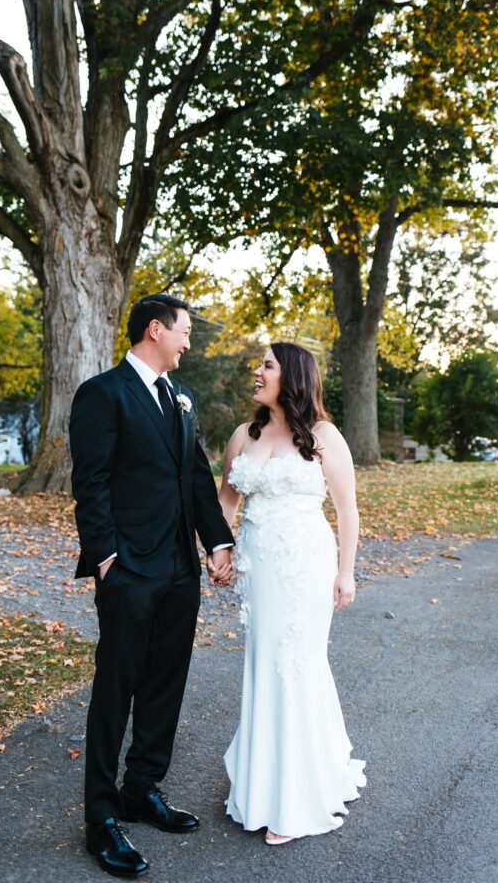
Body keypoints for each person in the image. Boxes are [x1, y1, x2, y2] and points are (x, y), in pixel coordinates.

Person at [69, 294, 234, 877]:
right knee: (116, 687)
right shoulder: (102, 394)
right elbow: (90, 483)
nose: (189, 343)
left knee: (166, 681)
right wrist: (107, 558)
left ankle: (142, 789)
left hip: (179, 569)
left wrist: (217, 543)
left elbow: (196, 476)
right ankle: (101, 818)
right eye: (185, 332)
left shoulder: (178, 399)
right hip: (130, 569)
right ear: (156, 330)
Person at [218, 341, 366, 845]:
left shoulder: (323, 435)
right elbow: (227, 501)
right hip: (259, 569)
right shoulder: (245, 434)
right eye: (259, 365)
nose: (257, 372)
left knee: (297, 663)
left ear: (294, 376)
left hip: (306, 565)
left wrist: (346, 572)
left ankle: (297, 796)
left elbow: (347, 510)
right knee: (264, 663)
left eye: (267, 365)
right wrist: (220, 551)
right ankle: (263, 784)